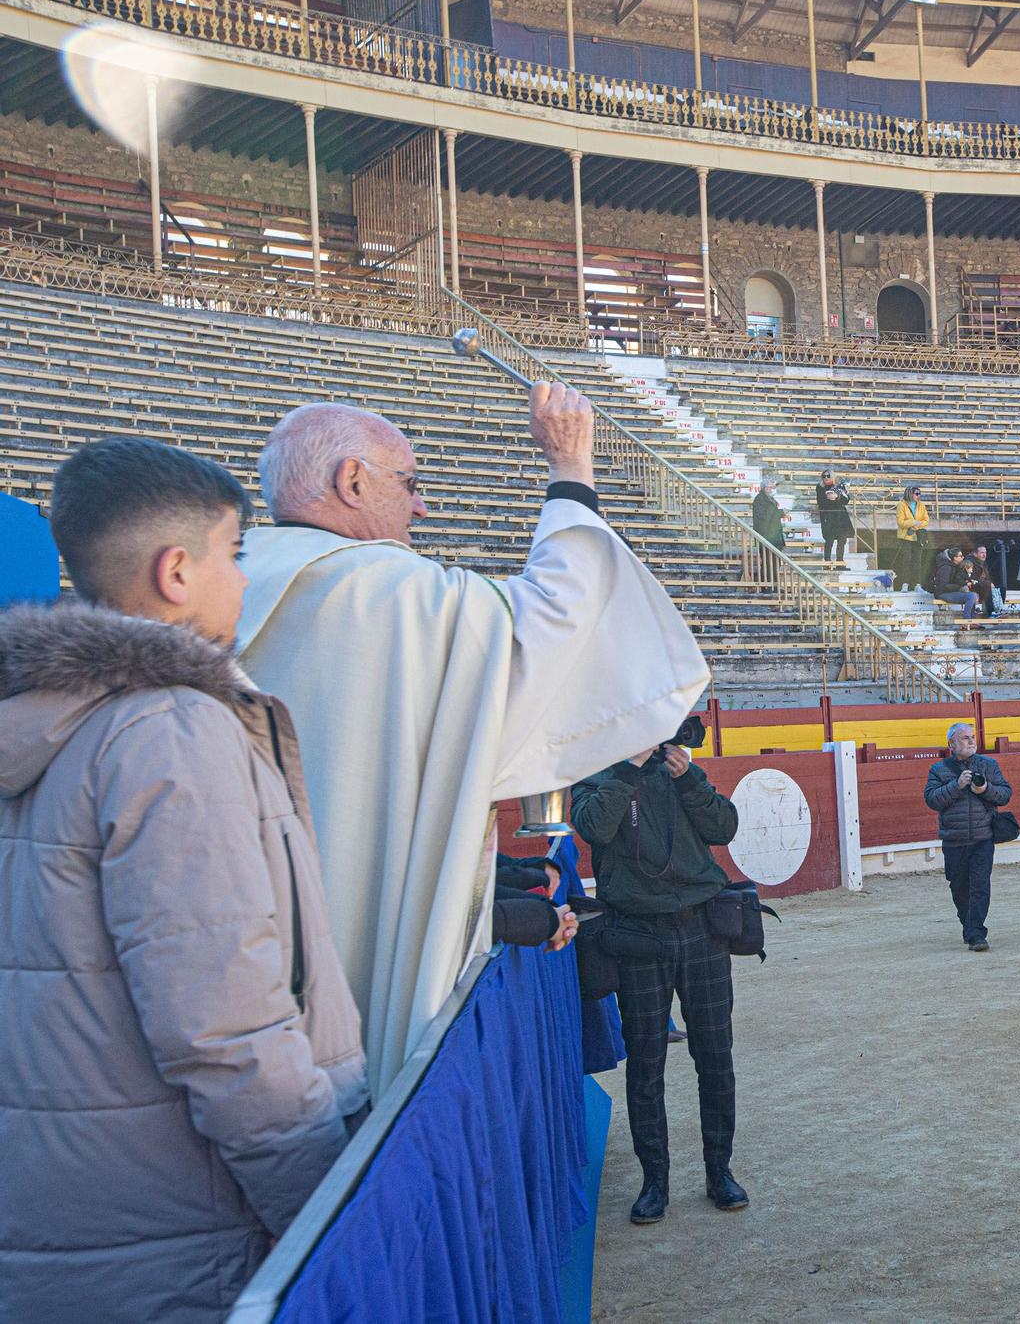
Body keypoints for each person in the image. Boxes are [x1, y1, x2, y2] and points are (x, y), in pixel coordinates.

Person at [236, 387, 707, 1090]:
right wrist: (570, 467)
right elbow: (554, 626)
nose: (421, 506)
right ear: (352, 481)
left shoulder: (225, 581)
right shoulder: (387, 590)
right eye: (410, 483)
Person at [2, 439, 365, 1320]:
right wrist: (330, 1216)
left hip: (72, 1234)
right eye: (233, 555)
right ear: (176, 571)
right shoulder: (169, 730)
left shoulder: (37, 722)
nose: (243, 582)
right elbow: (228, 1029)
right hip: (192, 1241)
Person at [573, 726, 747, 1221]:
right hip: (637, 934)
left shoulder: (681, 771)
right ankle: (655, 1182)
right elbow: (596, 828)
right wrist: (629, 767)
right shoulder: (599, 769)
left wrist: (689, 778)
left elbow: (724, 828)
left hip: (701, 930)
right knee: (646, 1064)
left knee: (715, 1057)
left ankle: (721, 1172)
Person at [923, 723, 1013, 951]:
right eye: (965, 738)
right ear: (951, 744)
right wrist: (957, 785)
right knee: (959, 887)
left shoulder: (989, 765)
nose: (971, 741)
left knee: (980, 886)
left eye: (972, 737)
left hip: (983, 837)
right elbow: (932, 800)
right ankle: (969, 925)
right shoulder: (939, 769)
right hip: (954, 840)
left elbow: (1005, 795)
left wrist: (985, 790)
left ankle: (976, 934)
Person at [893, 485, 929, 592]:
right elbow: (901, 522)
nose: (919, 495)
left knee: (917, 561)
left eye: (919, 493)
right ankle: (905, 583)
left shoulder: (921, 505)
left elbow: (926, 520)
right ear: (910, 493)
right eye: (916, 493)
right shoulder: (901, 505)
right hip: (905, 537)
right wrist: (913, 522)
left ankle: (917, 584)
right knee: (906, 560)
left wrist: (915, 527)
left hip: (918, 536)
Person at [927, 547, 979, 621]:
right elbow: (943, 586)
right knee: (971, 596)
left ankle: (972, 620)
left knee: (973, 595)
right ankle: (967, 621)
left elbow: (959, 579)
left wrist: (968, 582)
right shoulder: (946, 568)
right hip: (942, 593)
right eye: (960, 556)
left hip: (951, 591)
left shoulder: (956, 567)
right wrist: (960, 587)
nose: (963, 557)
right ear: (954, 558)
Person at [813, 470, 852, 562]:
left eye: (828, 476)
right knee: (829, 540)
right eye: (824, 476)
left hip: (840, 517)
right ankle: (827, 562)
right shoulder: (820, 487)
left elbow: (846, 500)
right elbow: (821, 502)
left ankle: (840, 562)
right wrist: (831, 498)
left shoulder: (839, 487)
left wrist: (838, 496)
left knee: (842, 539)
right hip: (828, 517)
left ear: (833, 477)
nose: (826, 478)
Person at [966, 544, 1004, 617]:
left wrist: (990, 583)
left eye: (985, 552)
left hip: (983, 585)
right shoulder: (969, 563)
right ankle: (991, 612)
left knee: (1002, 588)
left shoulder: (983, 563)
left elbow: (987, 577)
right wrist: (988, 583)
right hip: (973, 586)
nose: (984, 555)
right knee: (988, 586)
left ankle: (999, 610)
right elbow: (971, 578)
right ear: (975, 554)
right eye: (981, 553)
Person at [750, 479, 785, 549]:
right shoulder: (760, 499)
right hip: (766, 535)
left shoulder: (770, 499)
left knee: (776, 558)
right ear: (764, 488)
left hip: (774, 535)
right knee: (768, 558)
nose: (771, 489)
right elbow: (766, 515)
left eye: (771, 487)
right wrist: (781, 512)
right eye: (768, 487)